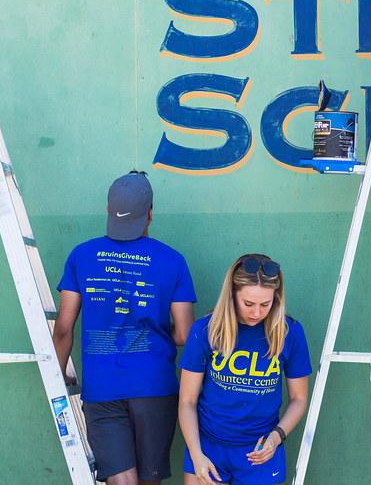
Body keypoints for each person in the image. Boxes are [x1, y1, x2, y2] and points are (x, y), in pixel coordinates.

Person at [53, 171, 197, 485]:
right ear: (149, 214)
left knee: (121, 481)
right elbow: (185, 334)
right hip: (154, 387)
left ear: (108, 210)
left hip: (102, 387)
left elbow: (64, 327)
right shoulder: (173, 261)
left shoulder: (81, 255)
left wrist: (59, 370)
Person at [178, 254, 311, 485]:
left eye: (265, 304)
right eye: (248, 303)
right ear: (232, 295)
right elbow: (187, 401)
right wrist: (196, 454)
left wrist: (276, 438)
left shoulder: (289, 333)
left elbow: (299, 399)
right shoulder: (205, 331)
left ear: (276, 298)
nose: (257, 313)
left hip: (259, 451)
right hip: (208, 448)